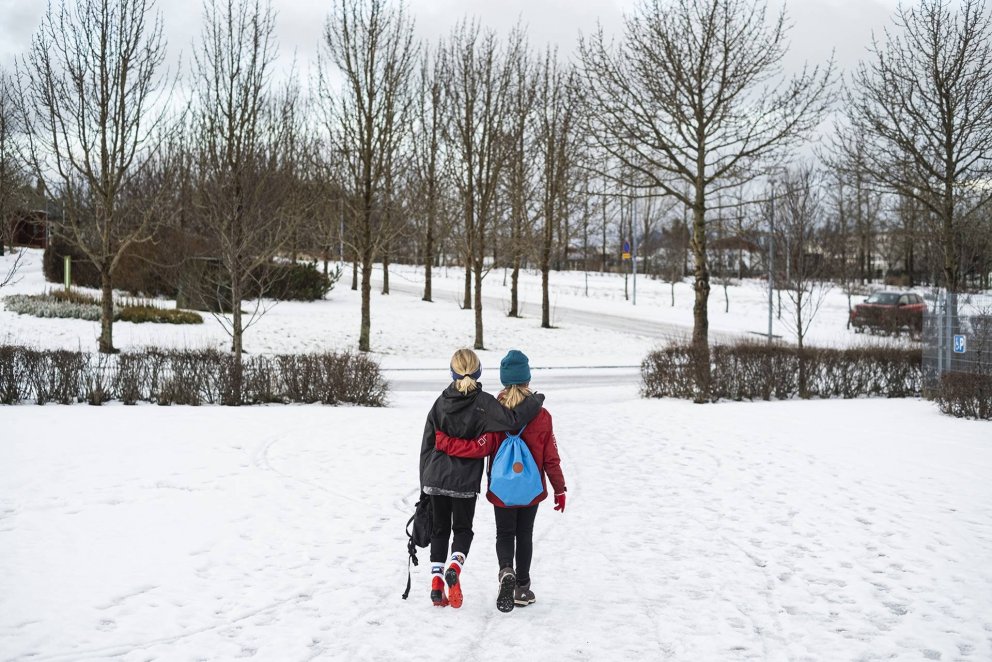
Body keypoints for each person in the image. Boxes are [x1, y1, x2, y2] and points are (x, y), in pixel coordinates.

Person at [434, 349, 566, 613]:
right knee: (524, 534)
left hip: (501, 489)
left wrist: (445, 442)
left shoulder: (493, 411)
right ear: (528, 379)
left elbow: (478, 448)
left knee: (505, 533)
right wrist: (559, 488)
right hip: (530, 489)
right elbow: (551, 456)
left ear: (505, 381)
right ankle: (523, 587)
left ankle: (506, 570)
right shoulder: (542, 415)